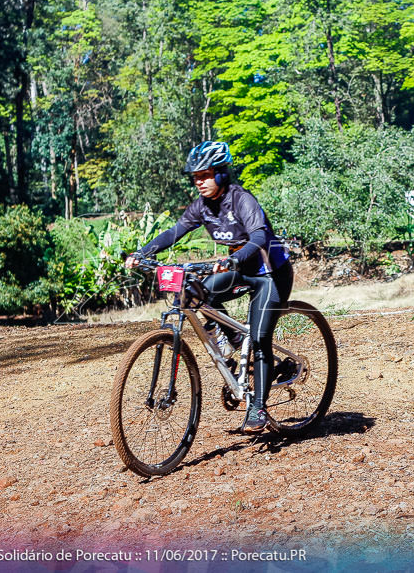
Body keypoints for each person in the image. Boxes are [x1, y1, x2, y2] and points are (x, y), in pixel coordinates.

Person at [125, 141, 292, 434]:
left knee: (261, 338)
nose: (199, 182)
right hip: (239, 268)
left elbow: (259, 238)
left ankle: (259, 408)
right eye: (195, 177)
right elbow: (174, 232)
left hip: (270, 273)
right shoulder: (201, 207)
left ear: (221, 174)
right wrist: (143, 253)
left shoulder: (242, 200)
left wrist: (233, 258)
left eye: (205, 175)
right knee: (196, 293)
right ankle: (236, 342)